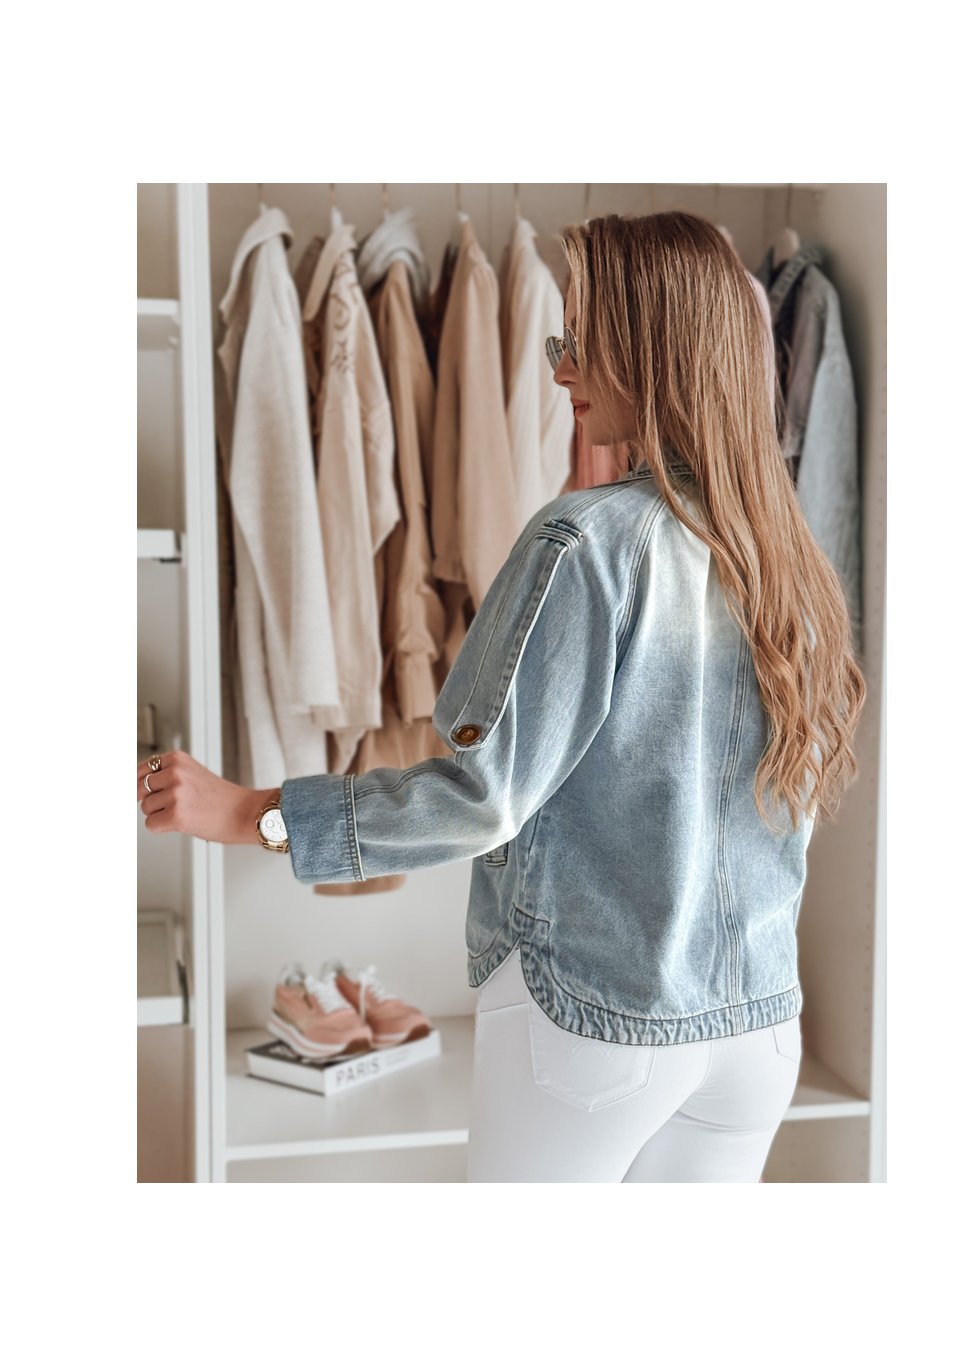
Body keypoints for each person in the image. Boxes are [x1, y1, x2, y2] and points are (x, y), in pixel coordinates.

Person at [138, 210, 866, 1182]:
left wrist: (248, 813)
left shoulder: (587, 542)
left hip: (598, 1023)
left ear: (655, 351)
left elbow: (482, 799)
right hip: (757, 1031)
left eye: (583, 343)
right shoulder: (788, 556)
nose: (561, 370)